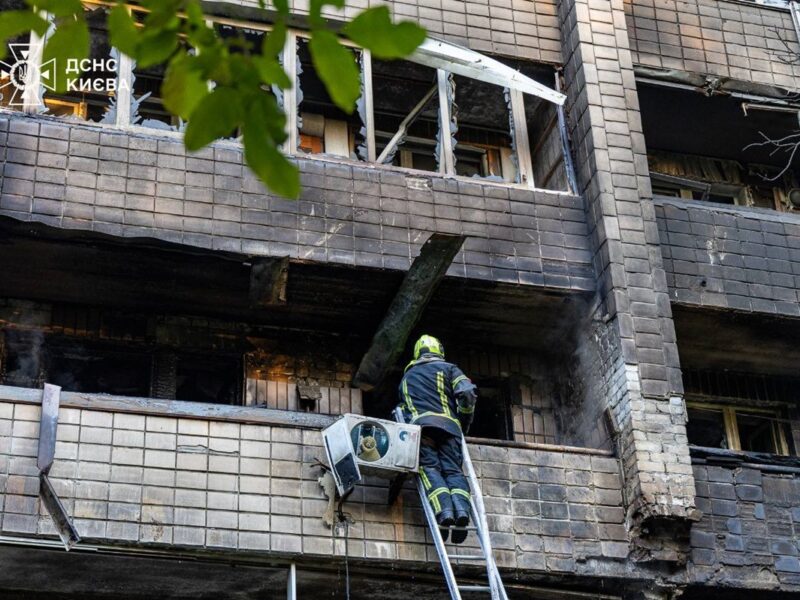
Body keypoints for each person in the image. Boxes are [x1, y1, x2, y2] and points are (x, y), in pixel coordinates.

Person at [398, 334, 478, 544]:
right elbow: (467, 394)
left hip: (422, 431)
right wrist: (464, 421)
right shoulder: (450, 369)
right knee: (453, 471)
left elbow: (403, 412)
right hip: (449, 428)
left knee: (430, 469)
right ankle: (461, 510)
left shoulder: (407, 378)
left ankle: (443, 511)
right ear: (439, 351)